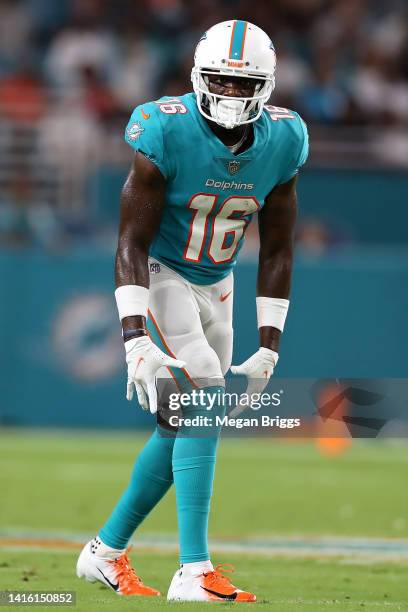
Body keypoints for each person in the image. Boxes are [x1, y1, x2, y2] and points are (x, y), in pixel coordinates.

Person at [76, 19, 308, 603]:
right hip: (162, 273)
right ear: (199, 78)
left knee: (182, 419)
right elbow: (129, 241)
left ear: (268, 85)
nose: (231, 95)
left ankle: (104, 553)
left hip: (218, 281)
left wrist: (270, 343)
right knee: (203, 395)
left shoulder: (284, 140)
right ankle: (194, 570)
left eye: (243, 84)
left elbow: (278, 245)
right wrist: (134, 335)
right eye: (220, 83)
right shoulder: (163, 127)